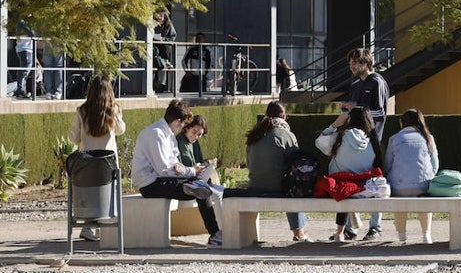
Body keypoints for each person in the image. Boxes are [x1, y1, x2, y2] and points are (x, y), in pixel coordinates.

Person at [131, 99, 222, 246]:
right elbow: (164, 169)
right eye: (184, 124)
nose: (183, 127)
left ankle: (215, 233)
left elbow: (173, 164)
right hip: (150, 184)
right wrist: (190, 171)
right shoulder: (156, 134)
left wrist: (185, 170)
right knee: (199, 189)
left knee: (200, 186)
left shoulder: (167, 134)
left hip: (160, 179)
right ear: (177, 121)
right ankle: (215, 234)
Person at [223, 101, 308, 241]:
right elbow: (296, 166)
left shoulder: (255, 135)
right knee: (294, 187)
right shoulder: (287, 135)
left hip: (255, 186)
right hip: (278, 189)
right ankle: (299, 233)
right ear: (284, 116)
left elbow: (250, 164)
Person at [68, 77, 126, 241]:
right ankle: (107, 228)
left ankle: (87, 227)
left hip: (87, 162)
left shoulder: (81, 111)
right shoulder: (113, 110)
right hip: (108, 162)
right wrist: (117, 114)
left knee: (88, 192)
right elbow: (121, 130)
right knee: (109, 191)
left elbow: (73, 138)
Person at [316, 106, 384, 242]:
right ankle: (375, 228)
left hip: (342, 188)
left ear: (349, 119)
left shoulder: (339, 137)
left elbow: (319, 142)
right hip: (365, 187)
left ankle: (348, 230)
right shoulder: (373, 141)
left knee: (343, 184)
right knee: (377, 184)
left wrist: (334, 124)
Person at [344, 47, 390, 239]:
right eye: (350, 63)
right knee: (347, 179)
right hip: (353, 142)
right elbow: (352, 114)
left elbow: (380, 113)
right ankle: (349, 228)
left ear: (366, 62)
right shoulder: (355, 86)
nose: (352, 66)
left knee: (375, 183)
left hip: (373, 141)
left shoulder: (377, 82)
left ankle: (375, 227)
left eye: (355, 62)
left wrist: (356, 107)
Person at [385, 108, 439, 244]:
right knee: (425, 202)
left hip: (399, 187)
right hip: (423, 186)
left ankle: (402, 235)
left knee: (399, 201)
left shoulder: (394, 139)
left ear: (401, 122)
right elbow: (435, 165)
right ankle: (426, 234)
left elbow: (387, 164)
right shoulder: (428, 138)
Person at [152, 8, 176, 93]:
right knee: (156, 68)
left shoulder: (168, 25)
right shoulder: (154, 24)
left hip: (164, 46)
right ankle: (155, 86)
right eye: (157, 15)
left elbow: (172, 37)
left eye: (160, 16)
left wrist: (164, 39)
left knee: (166, 47)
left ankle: (167, 61)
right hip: (156, 47)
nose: (159, 17)